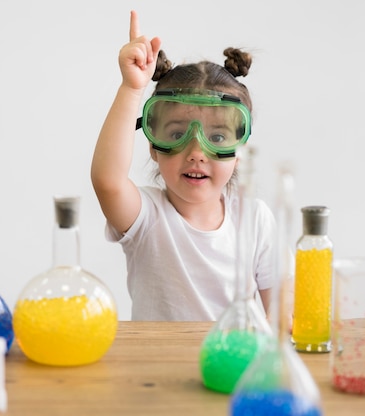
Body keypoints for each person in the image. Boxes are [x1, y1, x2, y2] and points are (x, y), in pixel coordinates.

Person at [91, 10, 276, 321]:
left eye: (217, 136)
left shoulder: (254, 220)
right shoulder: (146, 217)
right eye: (178, 134)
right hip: (160, 367)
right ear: (152, 144)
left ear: (238, 148)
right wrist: (132, 89)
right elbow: (108, 181)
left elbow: (283, 317)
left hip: (232, 366)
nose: (196, 151)